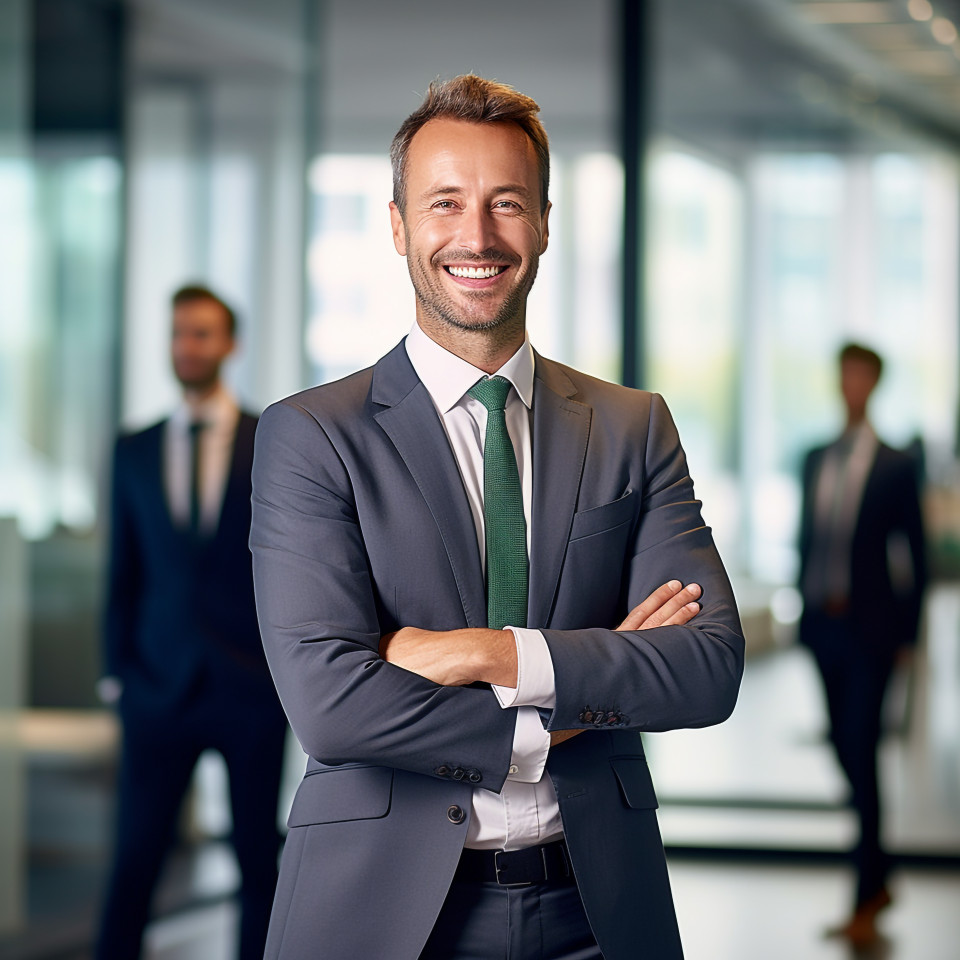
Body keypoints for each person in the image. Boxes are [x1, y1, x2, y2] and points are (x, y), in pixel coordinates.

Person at [250, 75, 744, 960]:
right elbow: (330, 706)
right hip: (383, 911)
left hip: (599, 909)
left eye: (505, 203)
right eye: (445, 204)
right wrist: (572, 705)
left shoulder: (633, 426)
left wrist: (491, 653)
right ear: (399, 226)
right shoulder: (312, 436)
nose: (476, 236)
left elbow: (706, 669)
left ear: (545, 222)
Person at [97, 285, 288, 960]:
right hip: (157, 689)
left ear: (229, 344)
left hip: (251, 691)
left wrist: (285, 675)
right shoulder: (134, 450)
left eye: (202, 334)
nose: (188, 346)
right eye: (179, 333)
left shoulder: (274, 439)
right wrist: (117, 676)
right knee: (135, 859)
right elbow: (122, 572)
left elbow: (291, 568)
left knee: (257, 861)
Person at [798, 342, 927, 947]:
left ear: (873, 384)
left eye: (859, 376)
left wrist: (908, 636)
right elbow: (807, 543)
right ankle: (876, 877)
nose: (850, 384)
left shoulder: (899, 464)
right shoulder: (815, 458)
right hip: (823, 628)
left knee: (861, 748)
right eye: (843, 373)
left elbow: (914, 557)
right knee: (842, 747)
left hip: (872, 632)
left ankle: (866, 895)